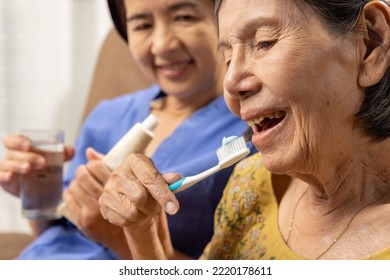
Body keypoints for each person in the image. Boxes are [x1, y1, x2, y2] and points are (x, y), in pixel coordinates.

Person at [99, 0, 390, 259]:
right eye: (227, 59)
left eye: (265, 42)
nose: (231, 84)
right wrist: (143, 229)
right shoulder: (249, 184)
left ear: (370, 43)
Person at [0, 0, 251, 259]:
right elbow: (61, 235)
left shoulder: (253, 128)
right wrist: (36, 194)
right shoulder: (106, 116)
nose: (163, 44)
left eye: (184, 18)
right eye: (142, 25)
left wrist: (119, 235)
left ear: (225, 20)